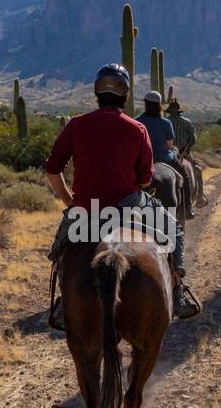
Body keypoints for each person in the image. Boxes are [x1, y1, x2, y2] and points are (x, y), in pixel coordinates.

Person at [45, 66, 200, 322]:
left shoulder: (76, 124)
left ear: (97, 92)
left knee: (60, 250)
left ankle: (64, 304)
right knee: (175, 231)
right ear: (125, 95)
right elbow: (145, 178)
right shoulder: (136, 129)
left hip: (86, 208)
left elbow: (52, 169)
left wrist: (71, 201)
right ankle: (178, 293)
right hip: (130, 204)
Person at [166, 94, 207, 207]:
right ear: (180, 111)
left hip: (167, 153)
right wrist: (186, 150)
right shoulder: (187, 122)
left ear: (169, 111)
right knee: (197, 170)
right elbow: (193, 139)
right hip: (184, 152)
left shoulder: (164, 121)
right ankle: (200, 197)